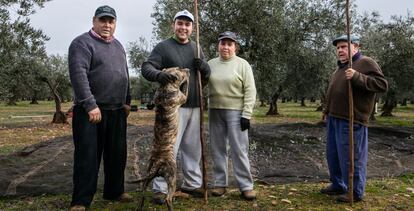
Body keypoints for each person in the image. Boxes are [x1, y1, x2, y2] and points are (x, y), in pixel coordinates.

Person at [141, 9, 211, 204]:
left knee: (193, 148)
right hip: (172, 108)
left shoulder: (197, 48)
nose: (183, 27)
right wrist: (159, 75)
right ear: (173, 25)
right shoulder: (163, 47)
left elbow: (206, 76)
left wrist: (205, 67)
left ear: (192, 28)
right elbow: (146, 68)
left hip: (195, 105)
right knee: (168, 147)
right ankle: (161, 189)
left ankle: (192, 184)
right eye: (180, 23)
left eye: (187, 24)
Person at [68, 5, 132, 211]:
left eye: (111, 21)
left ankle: (114, 192)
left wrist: (128, 100)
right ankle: (81, 200)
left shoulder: (118, 45)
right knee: (87, 157)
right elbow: (79, 75)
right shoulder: (81, 43)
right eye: (103, 20)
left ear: (115, 24)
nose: (107, 25)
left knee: (117, 155)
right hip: (91, 111)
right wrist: (90, 104)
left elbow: (125, 74)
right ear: (94, 21)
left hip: (116, 110)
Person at [321, 35, 388, 203]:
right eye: (338, 48)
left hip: (352, 119)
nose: (340, 50)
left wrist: (358, 76)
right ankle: (338, 184)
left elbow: (382, 85)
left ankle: (355, 192)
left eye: (344, 46)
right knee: (333, 155)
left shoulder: (365, 63)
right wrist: (326, 110)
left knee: (352, 157)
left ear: (356, 47)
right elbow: (332, 91)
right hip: (334, 118)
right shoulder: (340, 68)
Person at [207, 31, 257, 200]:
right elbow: (201, 85)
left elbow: (250, 90)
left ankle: (246, 186)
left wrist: (247, 114)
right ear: (218, 45)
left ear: (235, 47)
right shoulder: (210, 64)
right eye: (223, 43)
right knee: (218, 149)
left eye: (229, 44)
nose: (226, 47)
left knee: (239, 150)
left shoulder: (243, 65)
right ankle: (220, 184)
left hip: (236, 113)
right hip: (215, 111)